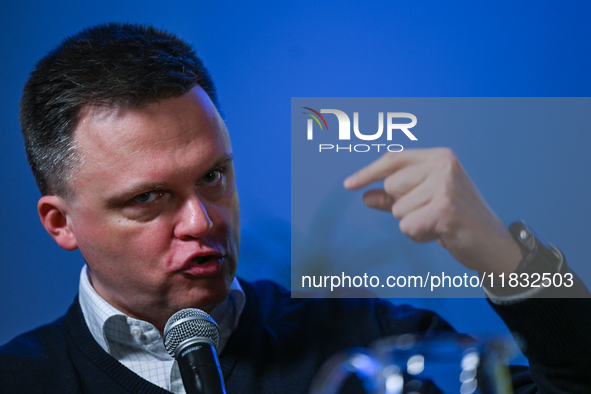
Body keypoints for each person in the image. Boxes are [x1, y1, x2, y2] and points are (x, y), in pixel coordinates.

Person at [1, 22, 589, 393]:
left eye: (212, 177)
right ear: (61, 223)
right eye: (147, 199)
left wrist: (504, 256)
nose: (203, 222)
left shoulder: (372, 343)